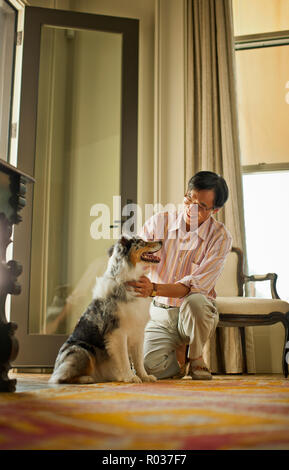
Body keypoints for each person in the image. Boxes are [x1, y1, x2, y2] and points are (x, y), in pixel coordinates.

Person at [126, 171, 232, 380]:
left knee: (195, 301)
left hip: (194, 312)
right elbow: (134, 258)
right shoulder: (159, 222)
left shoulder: (220, 237)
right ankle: (179, 362)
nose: (191, 208)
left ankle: (196, 356)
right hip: (160, 313)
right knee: (148, 369)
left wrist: (153, 289)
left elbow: (195, 287)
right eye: (189, 198)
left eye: (201, 206)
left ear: (215, 210)